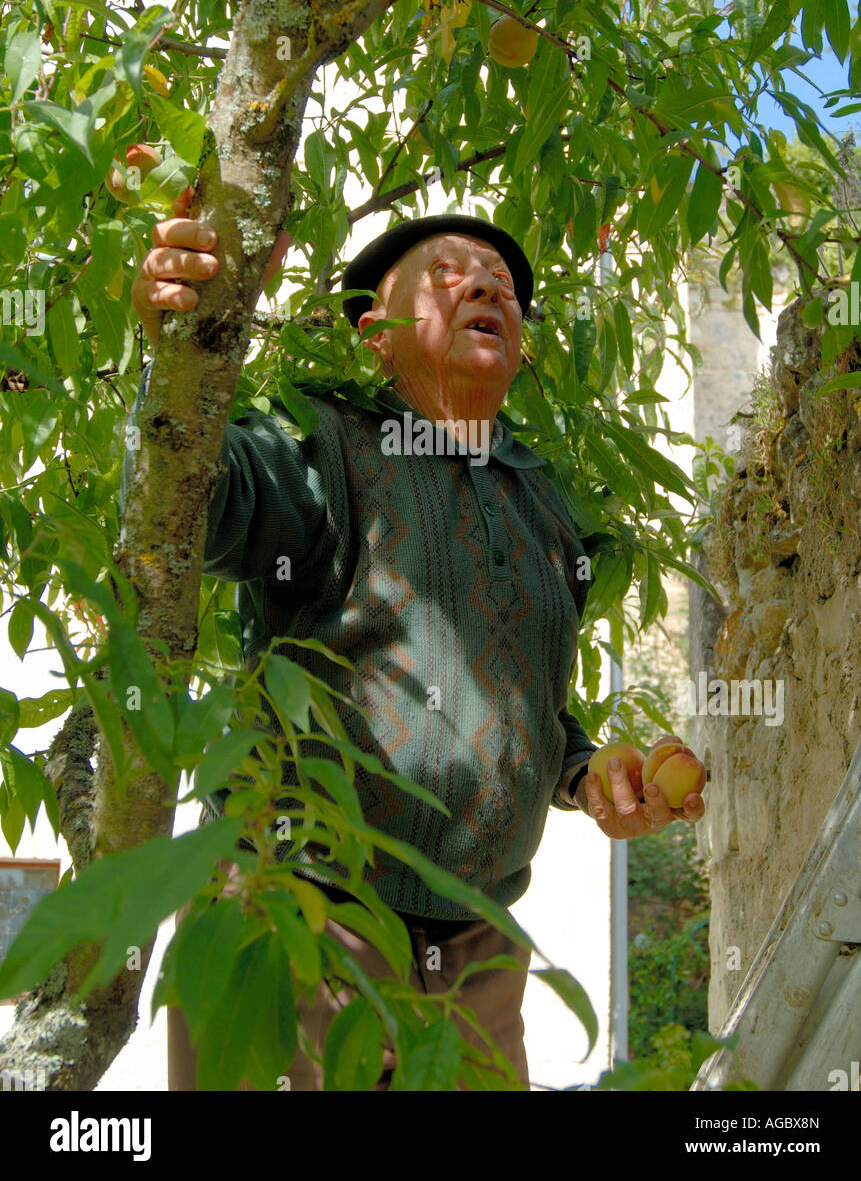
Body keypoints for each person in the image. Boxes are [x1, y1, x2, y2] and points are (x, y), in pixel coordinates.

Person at [127, 189, 706, 1091]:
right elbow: (193, 513)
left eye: (504, 284)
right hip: (301, 921)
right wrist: (183, 357)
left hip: (479, 954)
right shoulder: (320, 442)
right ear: (377, 333)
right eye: (444, 273)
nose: (484, 284)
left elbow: (529, 703)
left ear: (520, 341)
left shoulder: (546, 503)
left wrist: (586, 774)